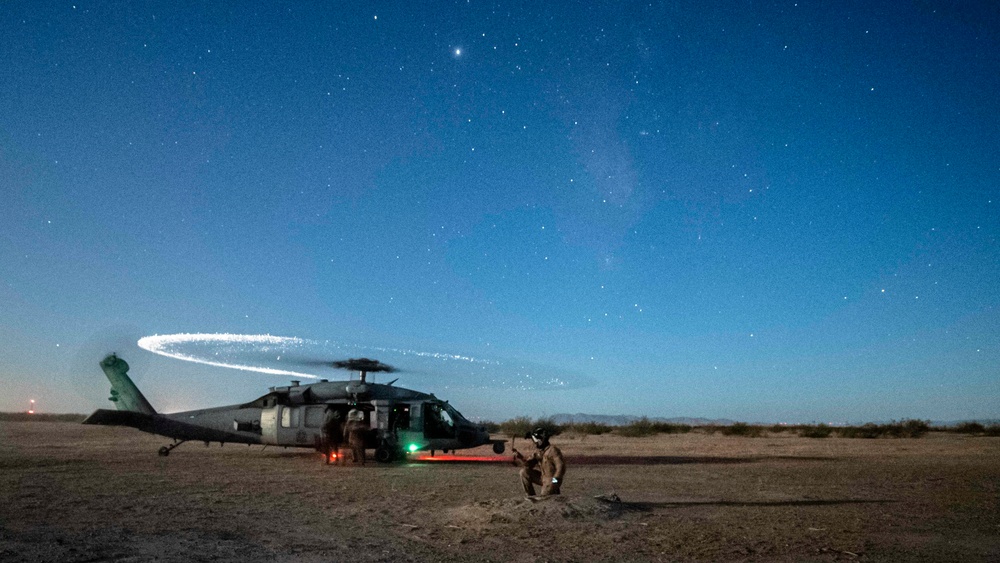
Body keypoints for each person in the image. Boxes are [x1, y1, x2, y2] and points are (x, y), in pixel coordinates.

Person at [513, 427, 565, 496]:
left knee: (544, 498)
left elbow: (560, 467)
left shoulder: (553, 450)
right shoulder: (538, 452)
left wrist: (554, 481)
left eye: (537, 442)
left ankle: (553, 491)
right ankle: (530, 496)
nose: (535, 443)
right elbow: (528, 465)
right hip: (543, 478)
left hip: (552, 479)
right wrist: (520, 457)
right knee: (524, 472)